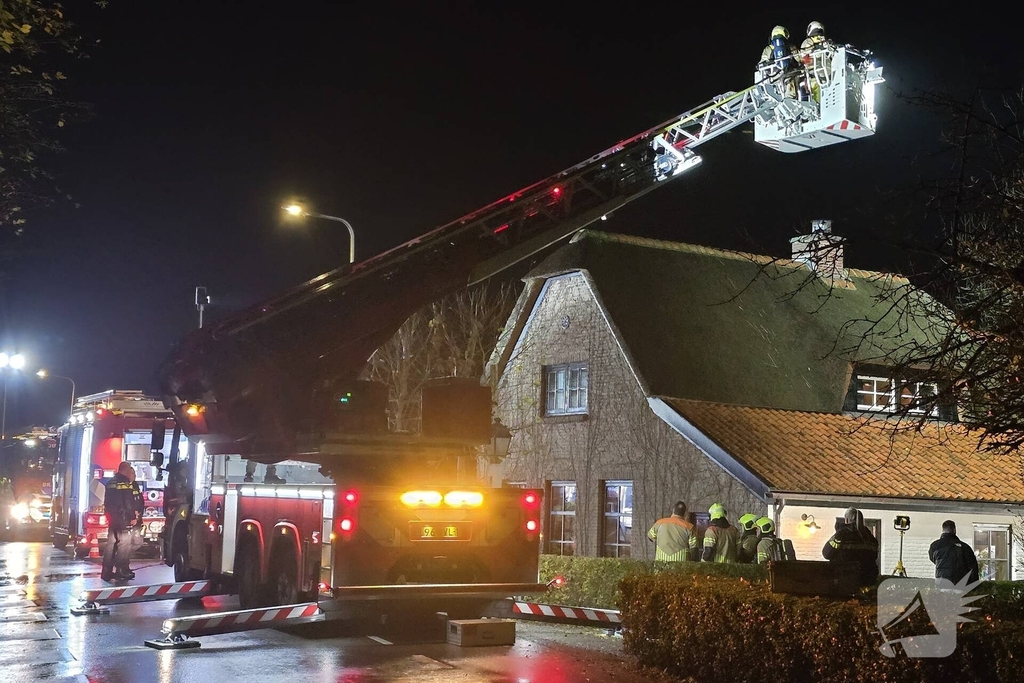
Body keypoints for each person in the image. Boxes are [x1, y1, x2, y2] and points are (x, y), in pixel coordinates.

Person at [101, 462, 140, 582]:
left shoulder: (111, 482)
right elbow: (127, 502)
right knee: (124, 544)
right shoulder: (124, 483)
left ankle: (106, 572)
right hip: (123, 518)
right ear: (125, 470)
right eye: (129, 469)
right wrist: (132, 516)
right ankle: (121, 571)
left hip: (112, 518)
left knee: (111, 545)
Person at [822, 507, 879, 586]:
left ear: (847, 520)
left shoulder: (841, 535)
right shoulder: (870, 538)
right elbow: (874, 556)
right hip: (866, 581)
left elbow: (826, 553)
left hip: (843, 580)